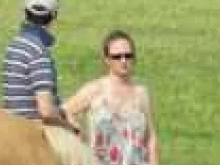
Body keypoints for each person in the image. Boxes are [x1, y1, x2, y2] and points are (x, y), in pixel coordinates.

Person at [65, 30, 160, 165]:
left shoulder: (141, 94)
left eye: (128, 55)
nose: (123, 61)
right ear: (107, 60)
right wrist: (79, 136)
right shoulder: (94, 90)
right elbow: (64, 112)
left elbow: (151, 138)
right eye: (117, 56)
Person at [3, 0, 74, 130]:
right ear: (54, 15)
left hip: (11, 130)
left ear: (25, 11)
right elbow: (46, 111)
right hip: (34, 137)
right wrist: (69, 127)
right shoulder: (38, 51)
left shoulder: (13, 46)